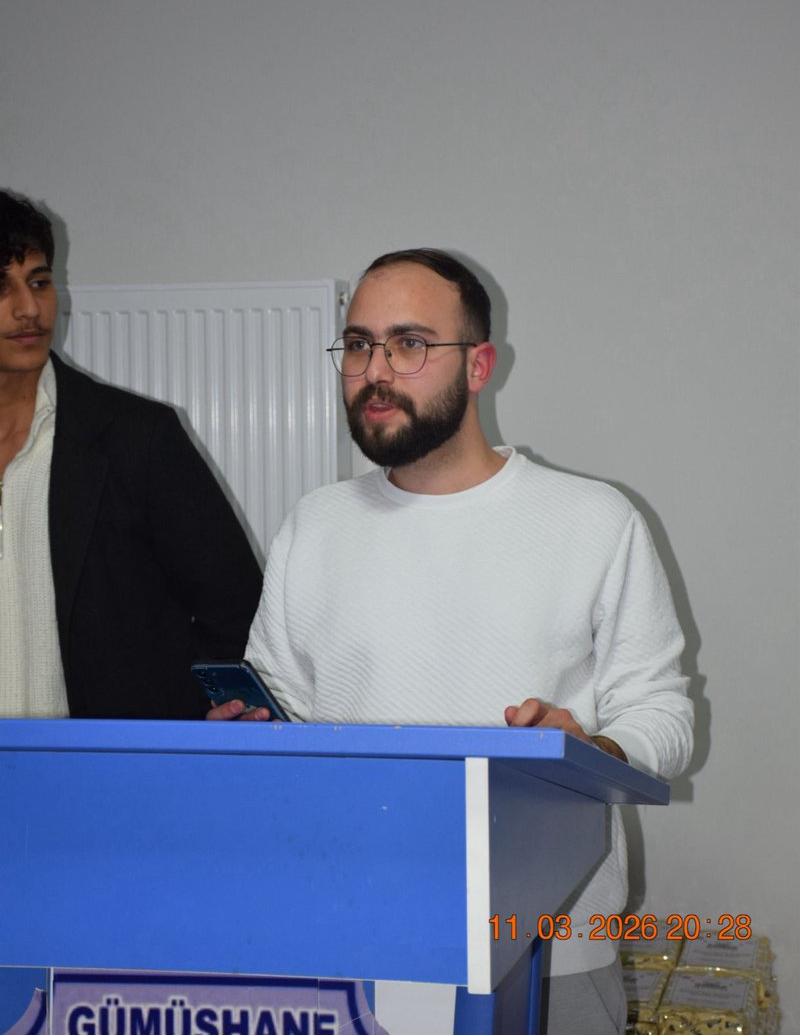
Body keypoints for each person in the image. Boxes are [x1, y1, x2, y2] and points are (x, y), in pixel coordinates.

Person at [210, 248, 693, 1033]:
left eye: (408, 344)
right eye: (358, 345)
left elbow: (664, 716)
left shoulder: (595, 520)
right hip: (352, 935)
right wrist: (245, 729)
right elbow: (283, 705)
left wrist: (592, 749)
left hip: (548, 948)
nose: (375, 371)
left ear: (479, 366)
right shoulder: (316, 524)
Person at [0, 189, 263, 719]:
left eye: (40, 282)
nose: (28, 309)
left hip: (101, 758)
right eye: (1, 287)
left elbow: (235, 604)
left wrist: (191, 717)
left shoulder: (137, 437)